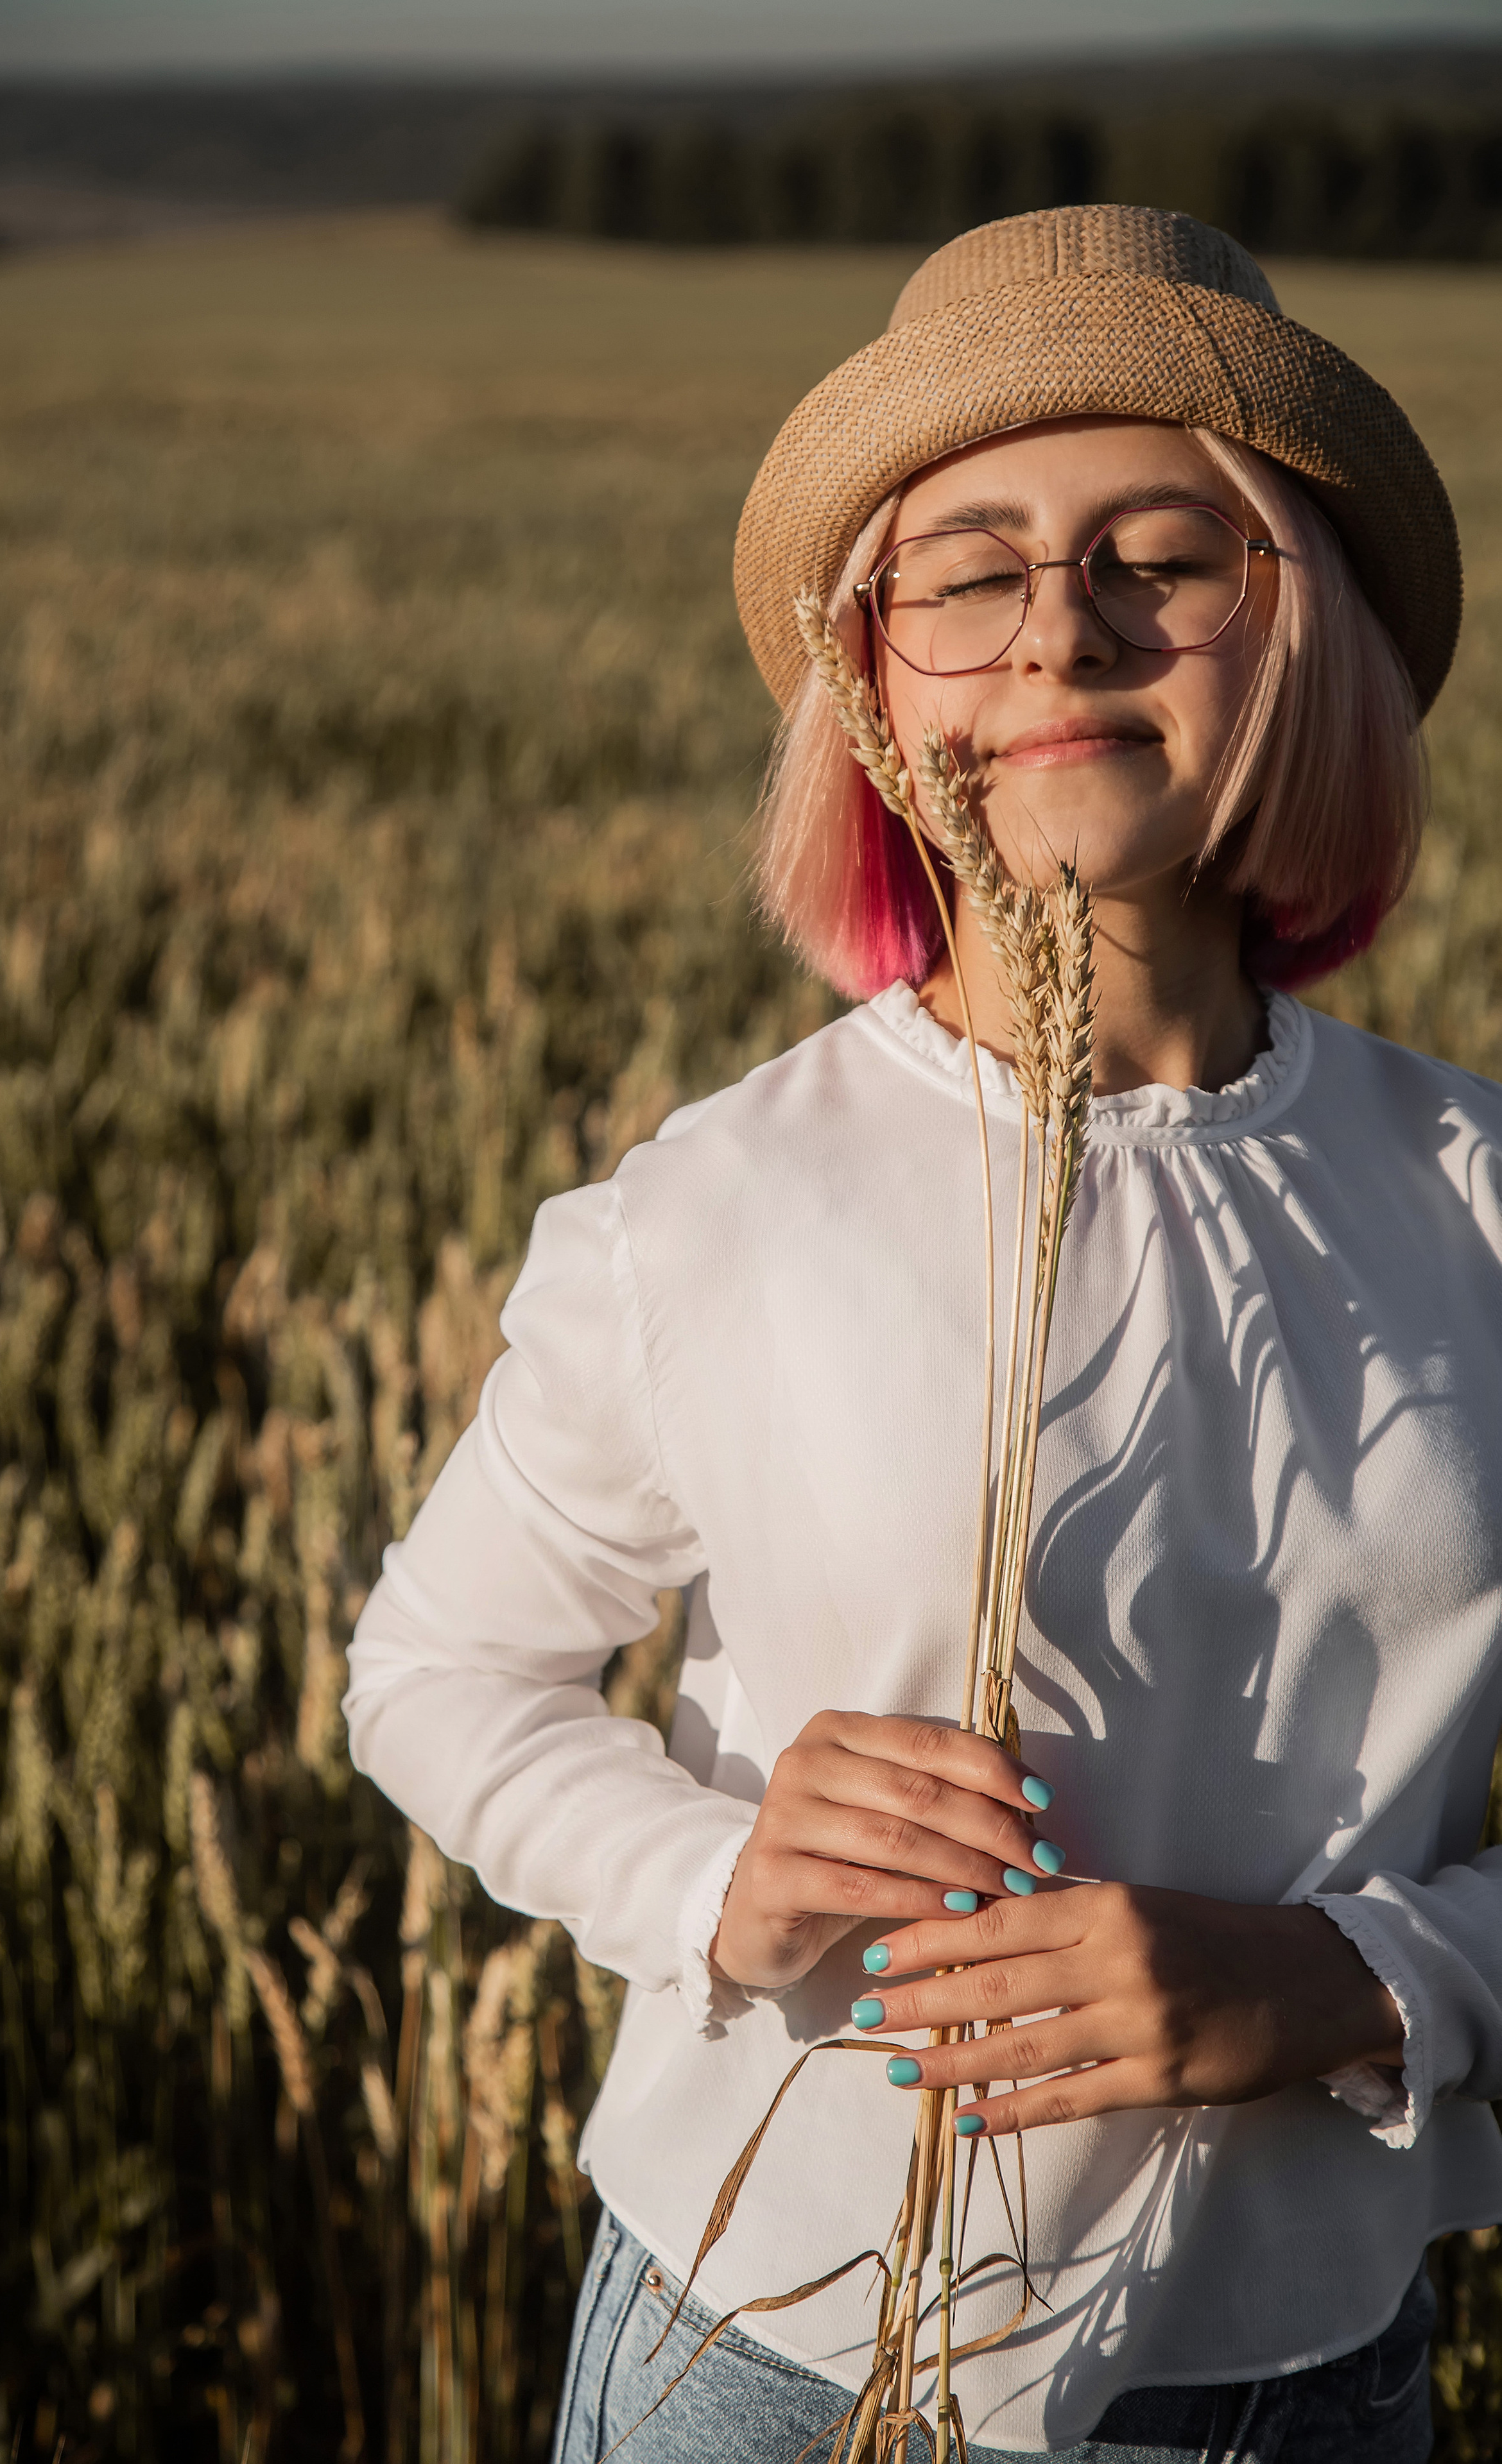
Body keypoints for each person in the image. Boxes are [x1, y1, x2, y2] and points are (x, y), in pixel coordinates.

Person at [344, 205, 1496, 2463]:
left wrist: (1359, 1981)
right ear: (874, 672)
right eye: (967, 571)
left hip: (1308, 2373)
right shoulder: (713, 1207)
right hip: (766, 2349)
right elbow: (434, 1674)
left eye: (1167, 553)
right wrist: (714, 1875)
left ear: (1307, 636)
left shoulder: (1472, 1201)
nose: (1060, 627)